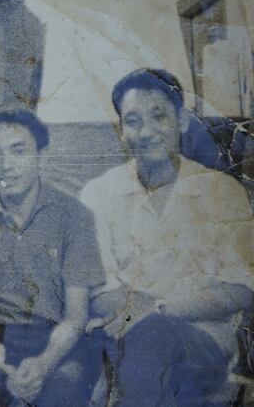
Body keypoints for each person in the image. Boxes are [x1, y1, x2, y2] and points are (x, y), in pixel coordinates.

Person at [80, 68, 254, 406]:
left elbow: (243, 288)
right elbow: (99, 293)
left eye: (159, 116)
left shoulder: (220, 191)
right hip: (123, 345)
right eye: (133, 121)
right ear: (121, 132)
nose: (146, 132)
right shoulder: (98, 193)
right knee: (144, 354)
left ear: (183, 120)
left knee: (149, 345)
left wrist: (159, 311)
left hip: (204, 346)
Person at [0, 108, 106, 406]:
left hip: (58, 342)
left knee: (59, 392)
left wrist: (44, 364)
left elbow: (75, 317)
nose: (6, 165)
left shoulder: (74, 215)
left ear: (42, 154)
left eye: (19, 151)